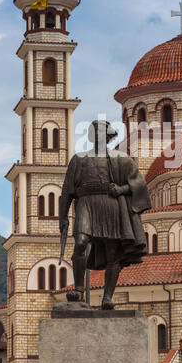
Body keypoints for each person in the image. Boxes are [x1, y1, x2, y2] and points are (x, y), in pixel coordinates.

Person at [59, 120, 152, 309]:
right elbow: (67, 190)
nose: (94, 133)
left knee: (112, 252)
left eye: (99, 130)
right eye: (92, 130)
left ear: (108, 135)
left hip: (110, 204)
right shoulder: (79, 158)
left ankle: (107, 298)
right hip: (86, 202)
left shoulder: (121, 158)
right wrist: (62, 217)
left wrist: (121, 188)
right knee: (81, 242)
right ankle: (78, 289)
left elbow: (139, 185)